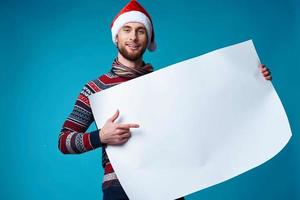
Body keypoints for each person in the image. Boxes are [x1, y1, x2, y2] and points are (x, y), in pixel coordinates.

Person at [58, 0, 272, 199]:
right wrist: (100, 136)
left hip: (169, 183)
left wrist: (252, 79)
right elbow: (64, 141)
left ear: (148, 38)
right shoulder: (94, 89)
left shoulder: (168, 84)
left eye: (140, 31)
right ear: (117, 36)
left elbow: (212, 106)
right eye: (127, 30)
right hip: (120, 189)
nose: (133, 37)